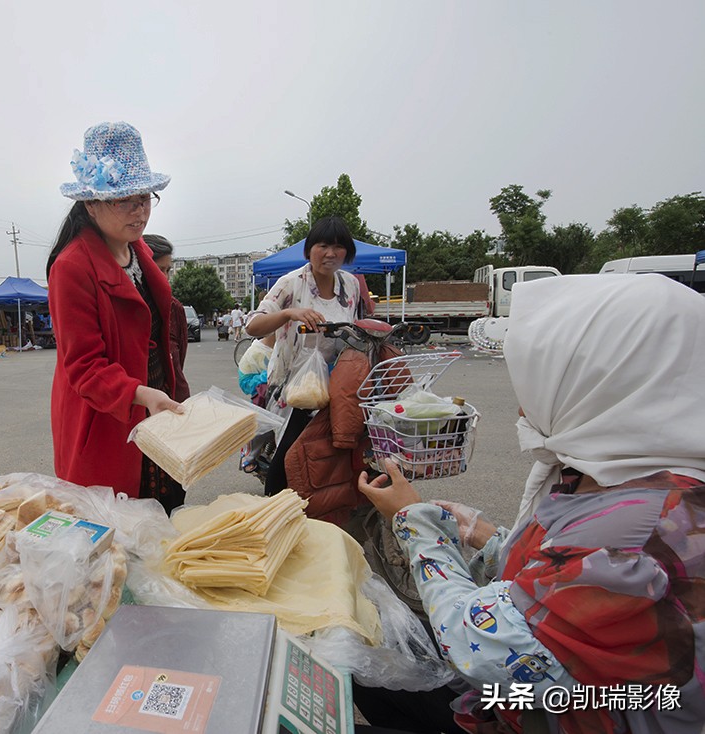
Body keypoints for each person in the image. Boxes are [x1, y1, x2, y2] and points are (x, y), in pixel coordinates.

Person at [354, 273, 705, 733]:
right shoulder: (632, 475)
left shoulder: (634, 535)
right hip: (535, 697)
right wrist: (483, 535)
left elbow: (479, 644)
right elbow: (558, 579)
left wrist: (413, 521)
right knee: (365, 667)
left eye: (538, 379)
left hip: (550, 711)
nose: (524, 405)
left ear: (600, 383)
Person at [46, 121, 185, 513]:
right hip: (109, 421)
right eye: (125, 199)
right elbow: (85, 367)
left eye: (145, 197)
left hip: (153, 409)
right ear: (91, 204)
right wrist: (141, 395)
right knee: (120, 532)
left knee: (164, 515)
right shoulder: (72, 266)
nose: (139, 210)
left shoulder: (136, 249)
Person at [245, 216, 361, 497]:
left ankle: (318, 511)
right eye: (323, 246)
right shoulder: (291, 283)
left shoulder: (351, 285)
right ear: (309, 250)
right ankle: (273, 512)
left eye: (338, 247)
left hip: (335, 384)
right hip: (293, 386)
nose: (331, 254)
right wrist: (288, 313)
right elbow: (252, 325)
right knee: (289, 455)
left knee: (328, 453)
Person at [143, 234, 190, 403]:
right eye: (158, 269)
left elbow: (179, 360)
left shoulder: (175, 308)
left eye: (168, 270)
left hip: (173, 402)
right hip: (138, 406)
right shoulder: (127, 308)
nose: (165, 277)